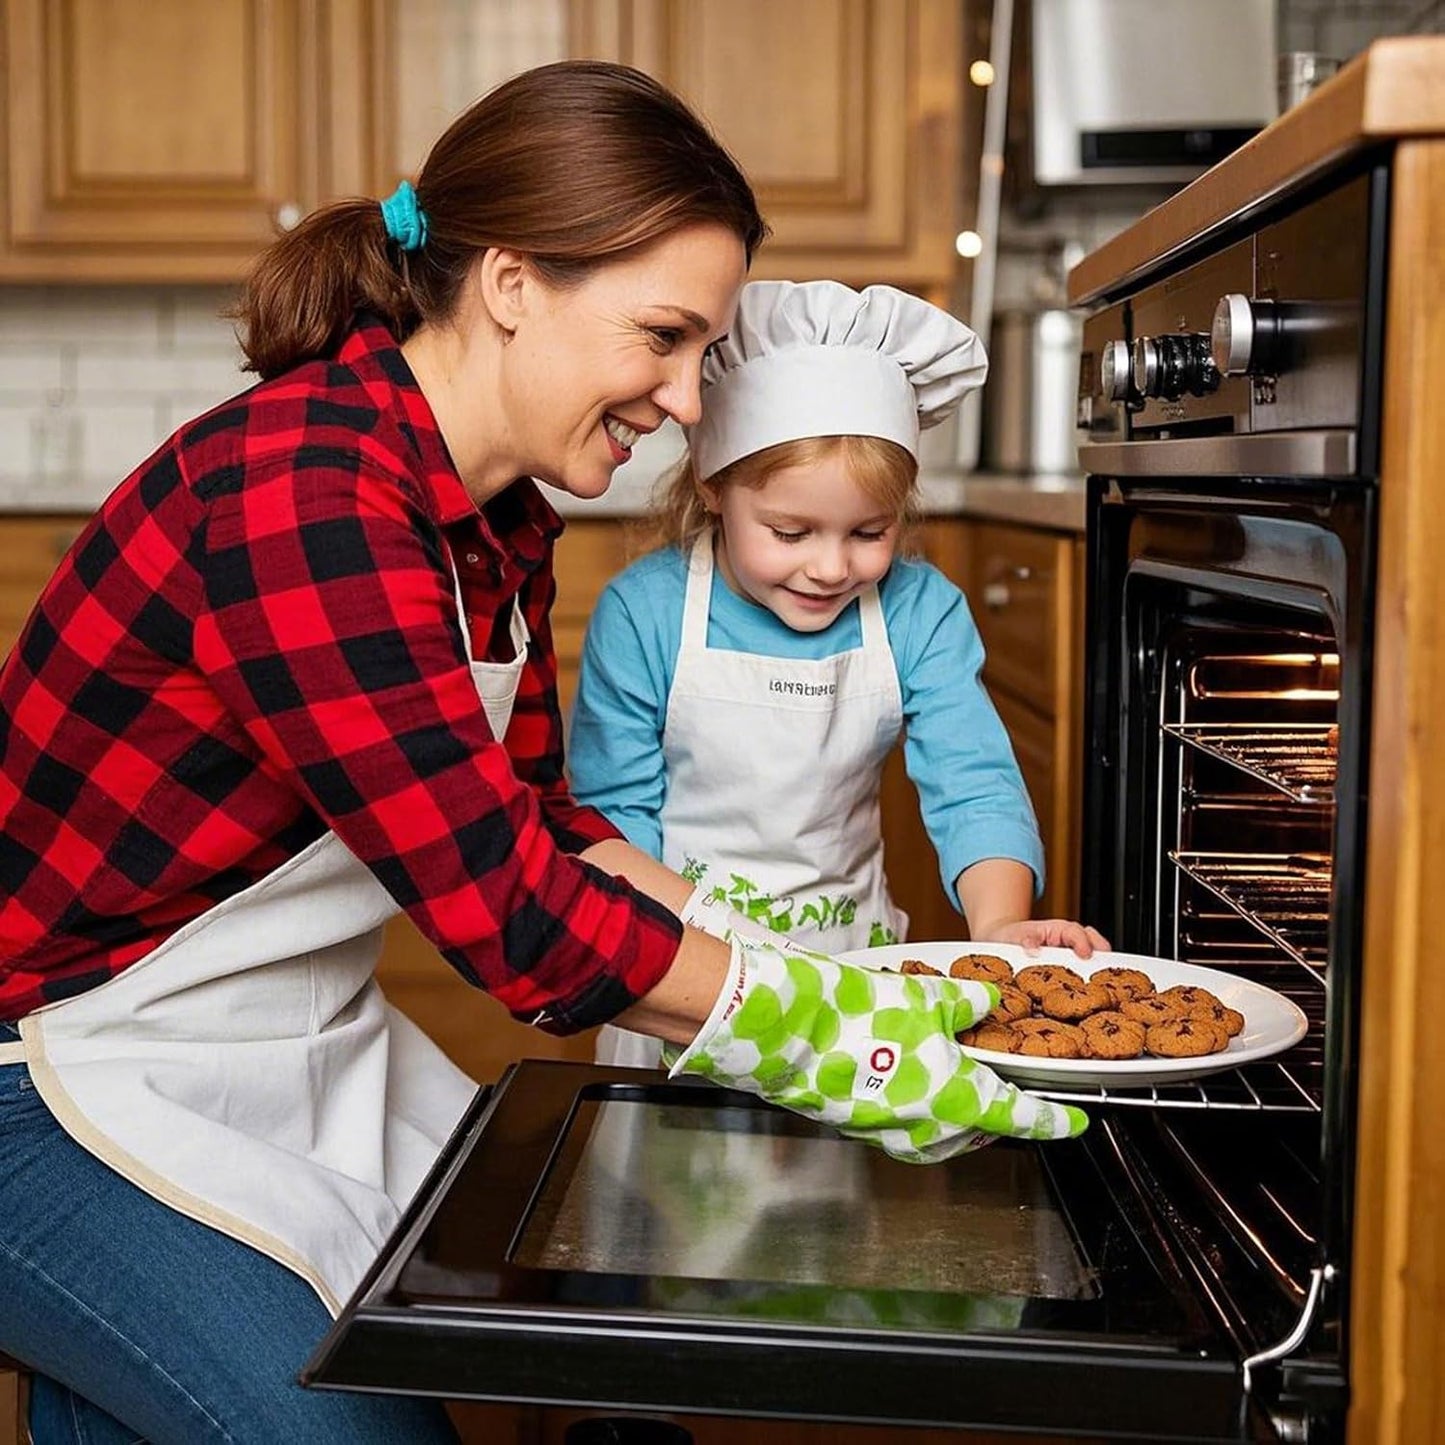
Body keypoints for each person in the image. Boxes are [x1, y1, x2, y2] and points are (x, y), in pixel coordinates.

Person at [0, 63, 1083, 1445]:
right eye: (666, 337)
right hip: (54, 1071)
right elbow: (512, 919)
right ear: (512, 282)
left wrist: (790, 964)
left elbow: (537, 818)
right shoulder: (303, 495)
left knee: (556, 1316)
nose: (693, 402)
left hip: (270, 1043)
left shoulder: (495, 519)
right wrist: (823, 1033)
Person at [569, 279, 1110, 1068]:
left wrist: (997, 929)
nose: (829, 567)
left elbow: (974, 782)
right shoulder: (643, 613)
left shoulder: (918, 612)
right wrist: (685, 973)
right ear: (711, 487)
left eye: (868, 531)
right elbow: (613, 818)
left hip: (856, 984)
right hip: (682, 983)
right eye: (790, 531)